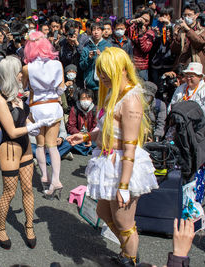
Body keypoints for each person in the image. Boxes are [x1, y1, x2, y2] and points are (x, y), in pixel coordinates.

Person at [67, 47, 158, 266]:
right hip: (109, 160)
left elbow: (129, 147)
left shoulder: (131, 99)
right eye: (101, 73)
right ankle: (129, 250)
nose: (103, 78)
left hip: (123, 166)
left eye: (106, 73)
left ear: (121, 69)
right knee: (103, 211)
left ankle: (130, 259)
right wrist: (87, 135)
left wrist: (124, 186)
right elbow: (107, 129)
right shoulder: (113, 91)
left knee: (123, 220)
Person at [0, 56, 54, 249]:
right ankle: (0, 227)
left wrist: (31, 124)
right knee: (9, 192)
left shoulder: (16, 92)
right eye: (18, 71)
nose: (22, 74)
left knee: (28, 188)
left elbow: (23, 118)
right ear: (10, 74)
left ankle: (29, 226)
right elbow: (11, 131)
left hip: (25, 144)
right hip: (9, 147)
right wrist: (35, 126)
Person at [23, 31, 65, 199]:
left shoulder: (27, 68)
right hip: (54, 106)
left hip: (37, 108)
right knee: (52, 145)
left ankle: (44, 175)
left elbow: (24, 88)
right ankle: (56, 179)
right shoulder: (57, 64)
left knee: (40, 145)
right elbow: (61, 88)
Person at [79, 22, 112, 95]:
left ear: (102, 32)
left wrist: (102, 58)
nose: (96, 32)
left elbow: (111, 65)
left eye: (98, 29)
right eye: (94, 30)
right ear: (91, 32)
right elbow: (82, 66)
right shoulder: (86, 48)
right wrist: (89, 58)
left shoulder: (108, 47)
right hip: (90, 85)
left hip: (104, 84)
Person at [171, 3, 205, 68]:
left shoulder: (202, 30)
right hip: (183, 65)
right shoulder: (181, 31)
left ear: (196, 15)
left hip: (197, 65)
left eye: (189, 15)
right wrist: (176, 33)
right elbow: (174, 50)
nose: (187, 18)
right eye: (185, 15)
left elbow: (199, 43)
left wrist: (187, 29)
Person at [127, 8, 155, 81]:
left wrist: (141, 36)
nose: (143, 22)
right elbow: (121, 24)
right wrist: (132, 21)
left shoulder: (150, 33)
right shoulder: (132, 27)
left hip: (141, 66)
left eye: (146, 21)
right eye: (142, 19)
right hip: (129, 63)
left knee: (142, 88)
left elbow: (145, 49)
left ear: (149, 22)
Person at [67, 88, 97, 156]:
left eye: (88, 98)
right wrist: (79, 134)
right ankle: (89, 149)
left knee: (100, 140)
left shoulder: (96, 109)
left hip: (91, 136)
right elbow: (71, 126)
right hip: (78, 135)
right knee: (68, 138)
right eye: (83, 98)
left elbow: (96, 127)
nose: (85, 101)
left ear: (92, 100)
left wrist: (88, 136)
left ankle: (82, 149)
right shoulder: (74, 109)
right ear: (79, 99)